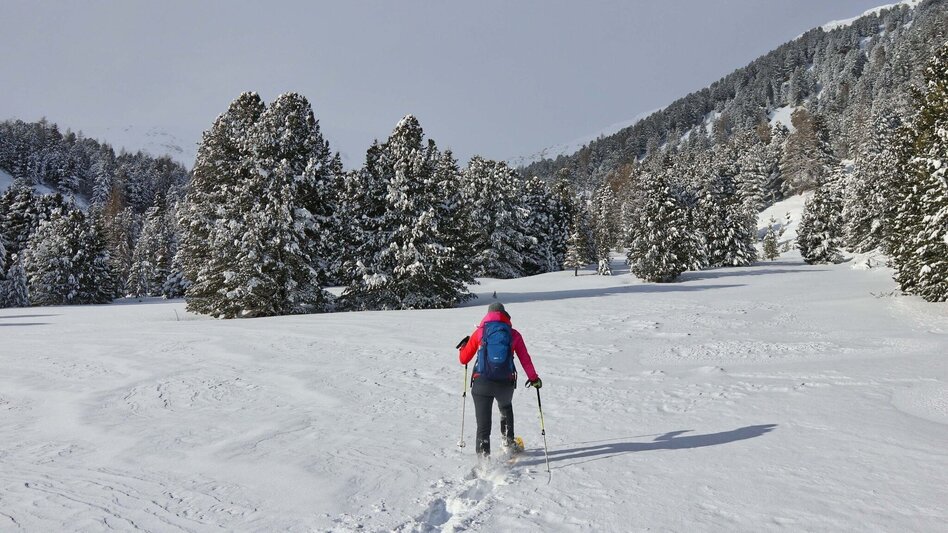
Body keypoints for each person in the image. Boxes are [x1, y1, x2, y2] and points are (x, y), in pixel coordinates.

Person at [459, 302, 541, 457]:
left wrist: (463, 347)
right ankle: (508, 444)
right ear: (505, 315)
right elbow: (525, 360)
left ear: (488, 315)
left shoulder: (480, 332)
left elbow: (464, 359)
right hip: (505, 383)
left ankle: (484, 460)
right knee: (505, 408)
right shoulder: (513, 334)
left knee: (483, 425)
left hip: (482, 383)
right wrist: (534, 378)